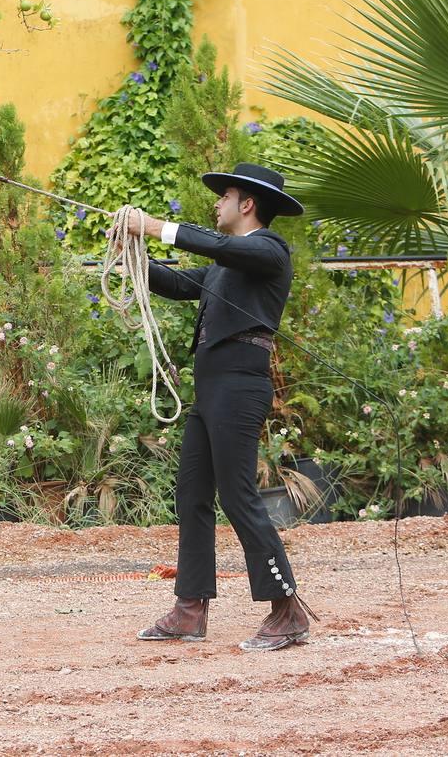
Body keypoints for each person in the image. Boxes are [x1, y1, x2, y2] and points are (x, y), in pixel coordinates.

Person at [113, 162, 317, 652]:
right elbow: (182, 284)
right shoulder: (229, 265)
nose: (216, 203)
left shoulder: (268, 249)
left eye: (224, 196)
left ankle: (287, 609)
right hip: (212, 390)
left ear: (247, 204)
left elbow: (221, 246)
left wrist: (156, 227)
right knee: (192, 495)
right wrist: (132, 253)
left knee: (238, 495)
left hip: (238, 388)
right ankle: (190, 609)